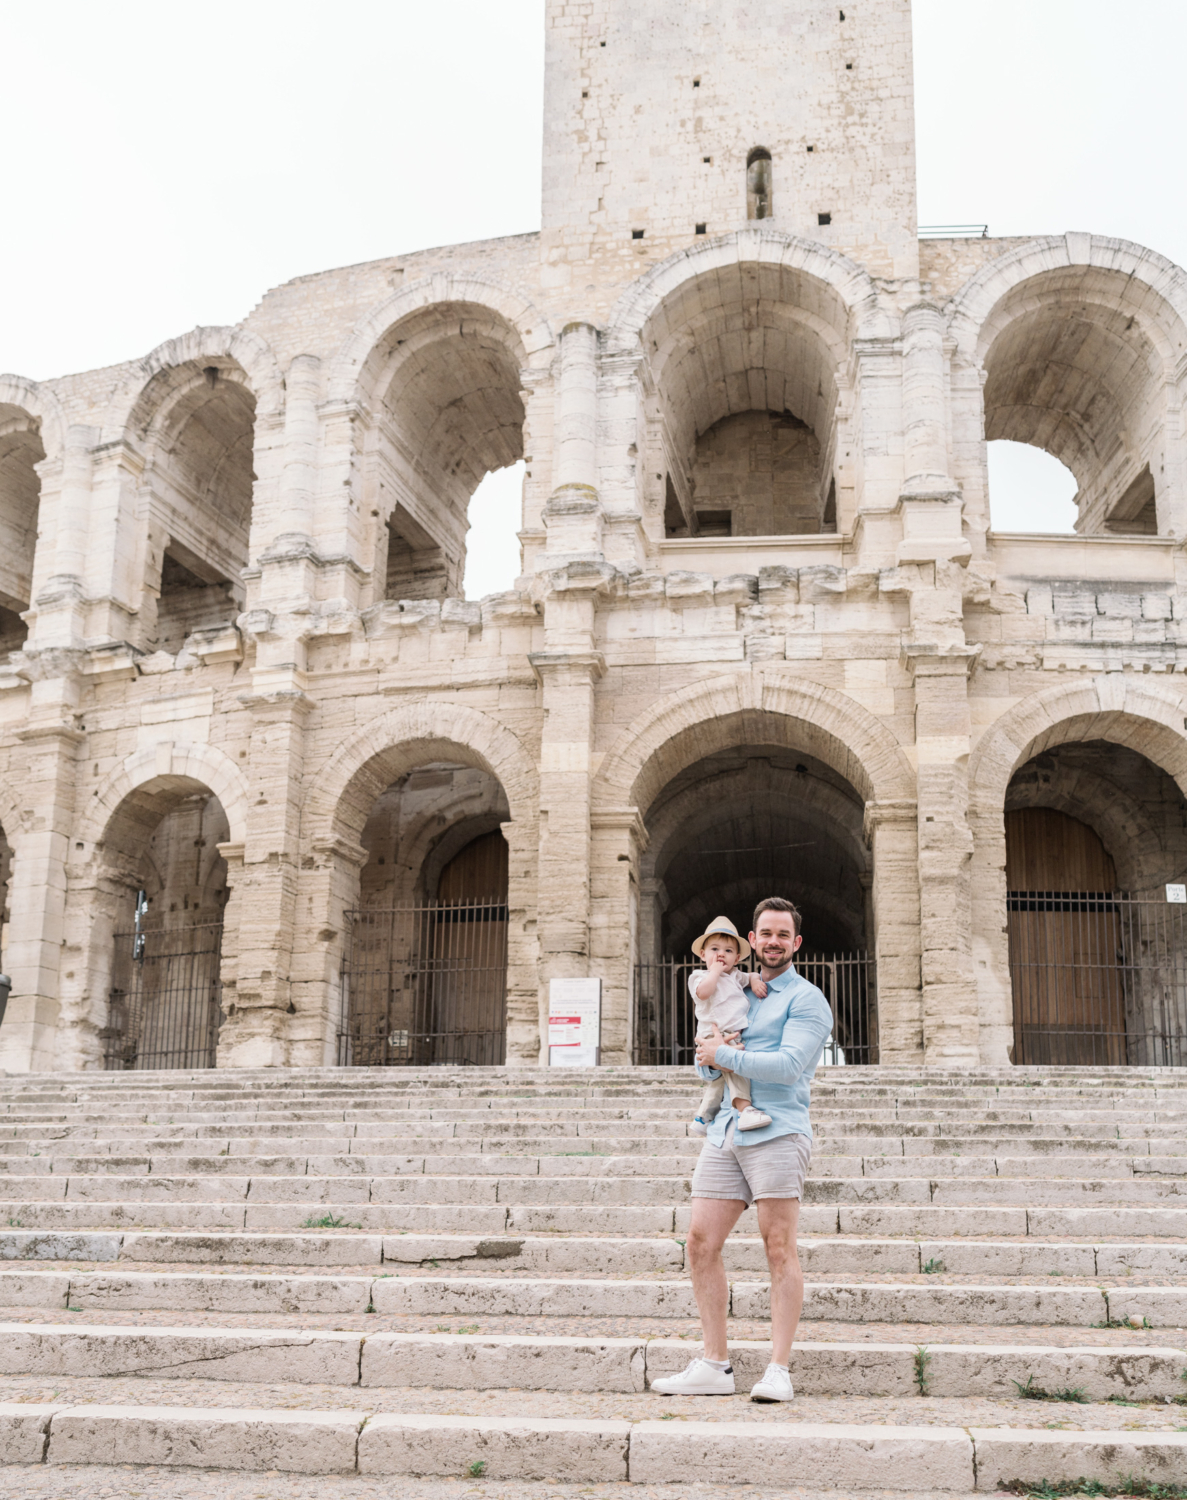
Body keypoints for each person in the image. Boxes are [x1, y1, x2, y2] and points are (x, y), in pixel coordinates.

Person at [651, 896, 834, 1404]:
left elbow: (790, 1065)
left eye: (783, 935)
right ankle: (714, 1363)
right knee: (699, 1243)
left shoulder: (807, 1000)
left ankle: (778, 1368)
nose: (773, 942)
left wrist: (722, 1053)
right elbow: (706, 1061)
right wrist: (710, 1061)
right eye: (765, 934)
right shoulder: (737, 989)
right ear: (750, 941)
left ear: (795, 944)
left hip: (777, 1129)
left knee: (778, 1248)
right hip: (727, 1130)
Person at [687, 916, 770, 1136]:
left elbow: (751, 974)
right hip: (715, 1033)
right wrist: (714, 971)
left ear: (738, 958)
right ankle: (745, 1109)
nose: (721, 954)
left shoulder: (735, 976)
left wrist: (753, 980)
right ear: (703, 955)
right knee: (736, 1069)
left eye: (728, 951)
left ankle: (703, 1117)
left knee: (721, 1080)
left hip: (730, 1032)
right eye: (714, 949)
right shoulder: (699, 976)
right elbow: (703, 993)